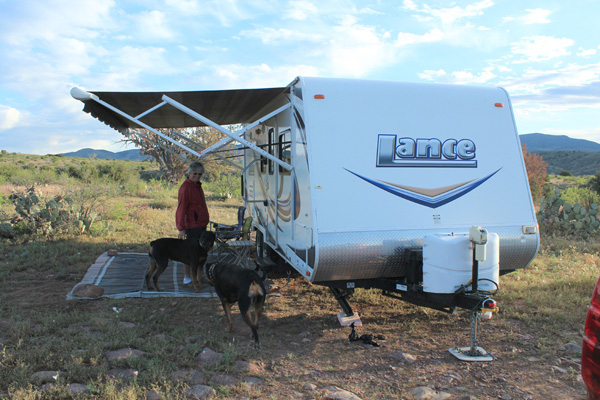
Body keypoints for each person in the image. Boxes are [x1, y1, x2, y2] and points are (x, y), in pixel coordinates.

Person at [176, 161, 210, 284]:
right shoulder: (185, 188)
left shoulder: (197, 186)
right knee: (190, 253)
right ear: (189, 173)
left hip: (201, 224)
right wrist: (181, 228)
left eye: (200, 174)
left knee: (201, 252)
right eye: (194, 173)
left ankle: (199, 277)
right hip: (191, 225)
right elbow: (181, 208)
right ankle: (187, 277)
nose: (197, 176)